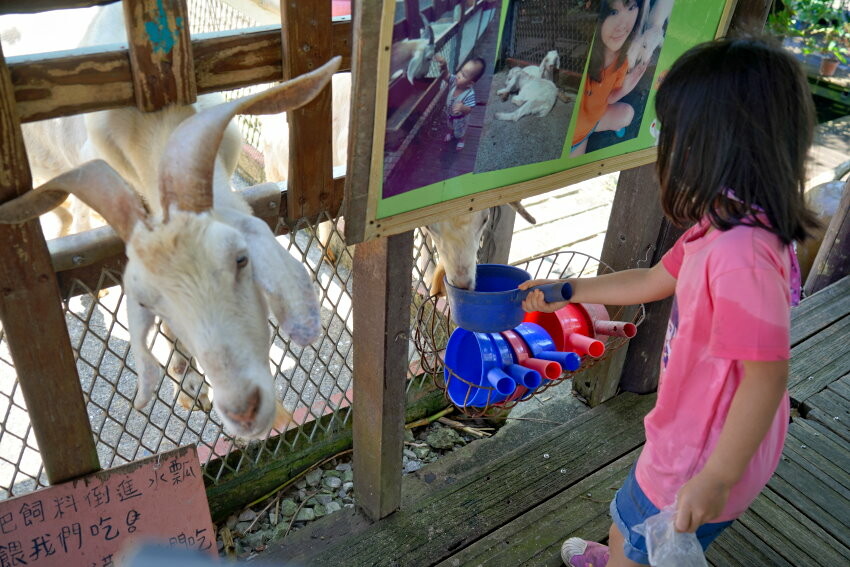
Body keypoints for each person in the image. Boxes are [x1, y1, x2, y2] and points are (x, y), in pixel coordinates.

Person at [520, 36, 819, 567]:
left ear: (710, 143)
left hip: (698, 455)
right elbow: (656, 280)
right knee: (629, 520)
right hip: (699, 435)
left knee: (638, 534)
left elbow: (766, 376)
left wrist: (717, 477)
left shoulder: (741, 254)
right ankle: (621, 548)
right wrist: (572, 290)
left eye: (667, 130)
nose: (662, 144)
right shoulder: (728, 220)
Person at [570, 0, 650, 157]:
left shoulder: (623, 60)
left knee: (627, 114)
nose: (622, 26)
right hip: (575, 136)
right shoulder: (582, 56)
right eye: (613, 12)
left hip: (590, 124)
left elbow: (610, 99)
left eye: (631, 8)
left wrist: (625, 89)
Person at [434, 54, 486, 151]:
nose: (458, 75)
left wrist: (463, 108)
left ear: (470, 83)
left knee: (460, 132)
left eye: (463, 75)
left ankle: (462, 140)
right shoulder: (454, 81)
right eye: (461, 71)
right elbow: (446, 75)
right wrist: (444, 65)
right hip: (450, 114)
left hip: (460, 119)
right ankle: (450, 133)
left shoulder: (469, 94)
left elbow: (469, 109)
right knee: (450, 125)